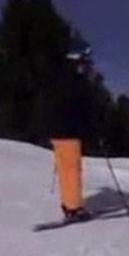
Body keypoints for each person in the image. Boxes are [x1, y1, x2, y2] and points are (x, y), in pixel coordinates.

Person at [46, 42, 99, 223]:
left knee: (65, 168)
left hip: (57, 130)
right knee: (72, 169)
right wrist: (90, 127)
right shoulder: (75, 78)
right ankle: (74, 208)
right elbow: (80, 106)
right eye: (86, 58)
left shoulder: (60, 74)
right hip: (68, 131)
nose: (88, 63)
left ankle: (69, 204)